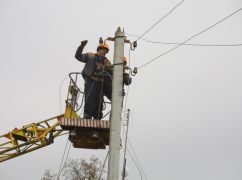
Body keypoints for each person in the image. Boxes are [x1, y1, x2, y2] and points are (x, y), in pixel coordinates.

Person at [75, 40, 110, 120]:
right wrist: (81, 46)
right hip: (90, 81)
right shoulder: (90, 56)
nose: (105, 52)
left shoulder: (107, 62)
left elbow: (111, 74)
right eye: (104, 50)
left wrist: (109, 67)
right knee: (90, 99)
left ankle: (97, 117)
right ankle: (87, 116)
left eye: (106, 51)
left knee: (99, 102)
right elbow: (78, 56)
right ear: (99, 49)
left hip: (100, 83)